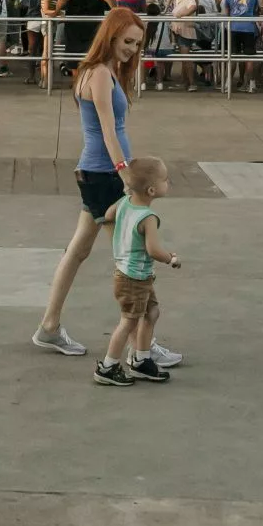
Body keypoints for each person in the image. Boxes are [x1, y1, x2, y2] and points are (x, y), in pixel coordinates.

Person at [33, 10, 181, 369]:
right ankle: (142, 344)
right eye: (127, 41)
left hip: (100, 173)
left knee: (79, 250)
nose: (132, 49)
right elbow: (108, 131)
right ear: (110, 36)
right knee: (134, 257)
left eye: (137, 44)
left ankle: (50, 326)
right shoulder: (98, 73)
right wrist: (126, 174)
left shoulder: (105, 71)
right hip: (104, 175)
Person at [95, 155, 182, 388]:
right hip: (134, 278)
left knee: (151, 312)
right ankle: (108, 367)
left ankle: (141, 360)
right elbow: (153, 250)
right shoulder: (148, 217)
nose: (168, 182)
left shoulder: (125, 203)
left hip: (130, 275)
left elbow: (109, 215)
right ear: (152, 190)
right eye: (165, 179)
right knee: (128, 322)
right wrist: (171, 258)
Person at [60, 0, 110, 65]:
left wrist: (56, 11)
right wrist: (115, 11)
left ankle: (77, 81)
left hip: (73, 30)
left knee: (74, 63)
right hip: (93, 29)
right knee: (92, 61)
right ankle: (88, 80)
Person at [221, 0, 260, 91]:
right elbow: (256, 10)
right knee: (249, 58)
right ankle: (251, 84)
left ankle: (228, 84)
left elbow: (226, 13)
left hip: (233, 27)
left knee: (231, 57)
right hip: (249, 28)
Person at [24, 0, 51, 85]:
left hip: (33, 20)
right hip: (46, 20)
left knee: (32, 49)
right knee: (44, 49)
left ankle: (31, 76)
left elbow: (26, 4)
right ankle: (43, 77)